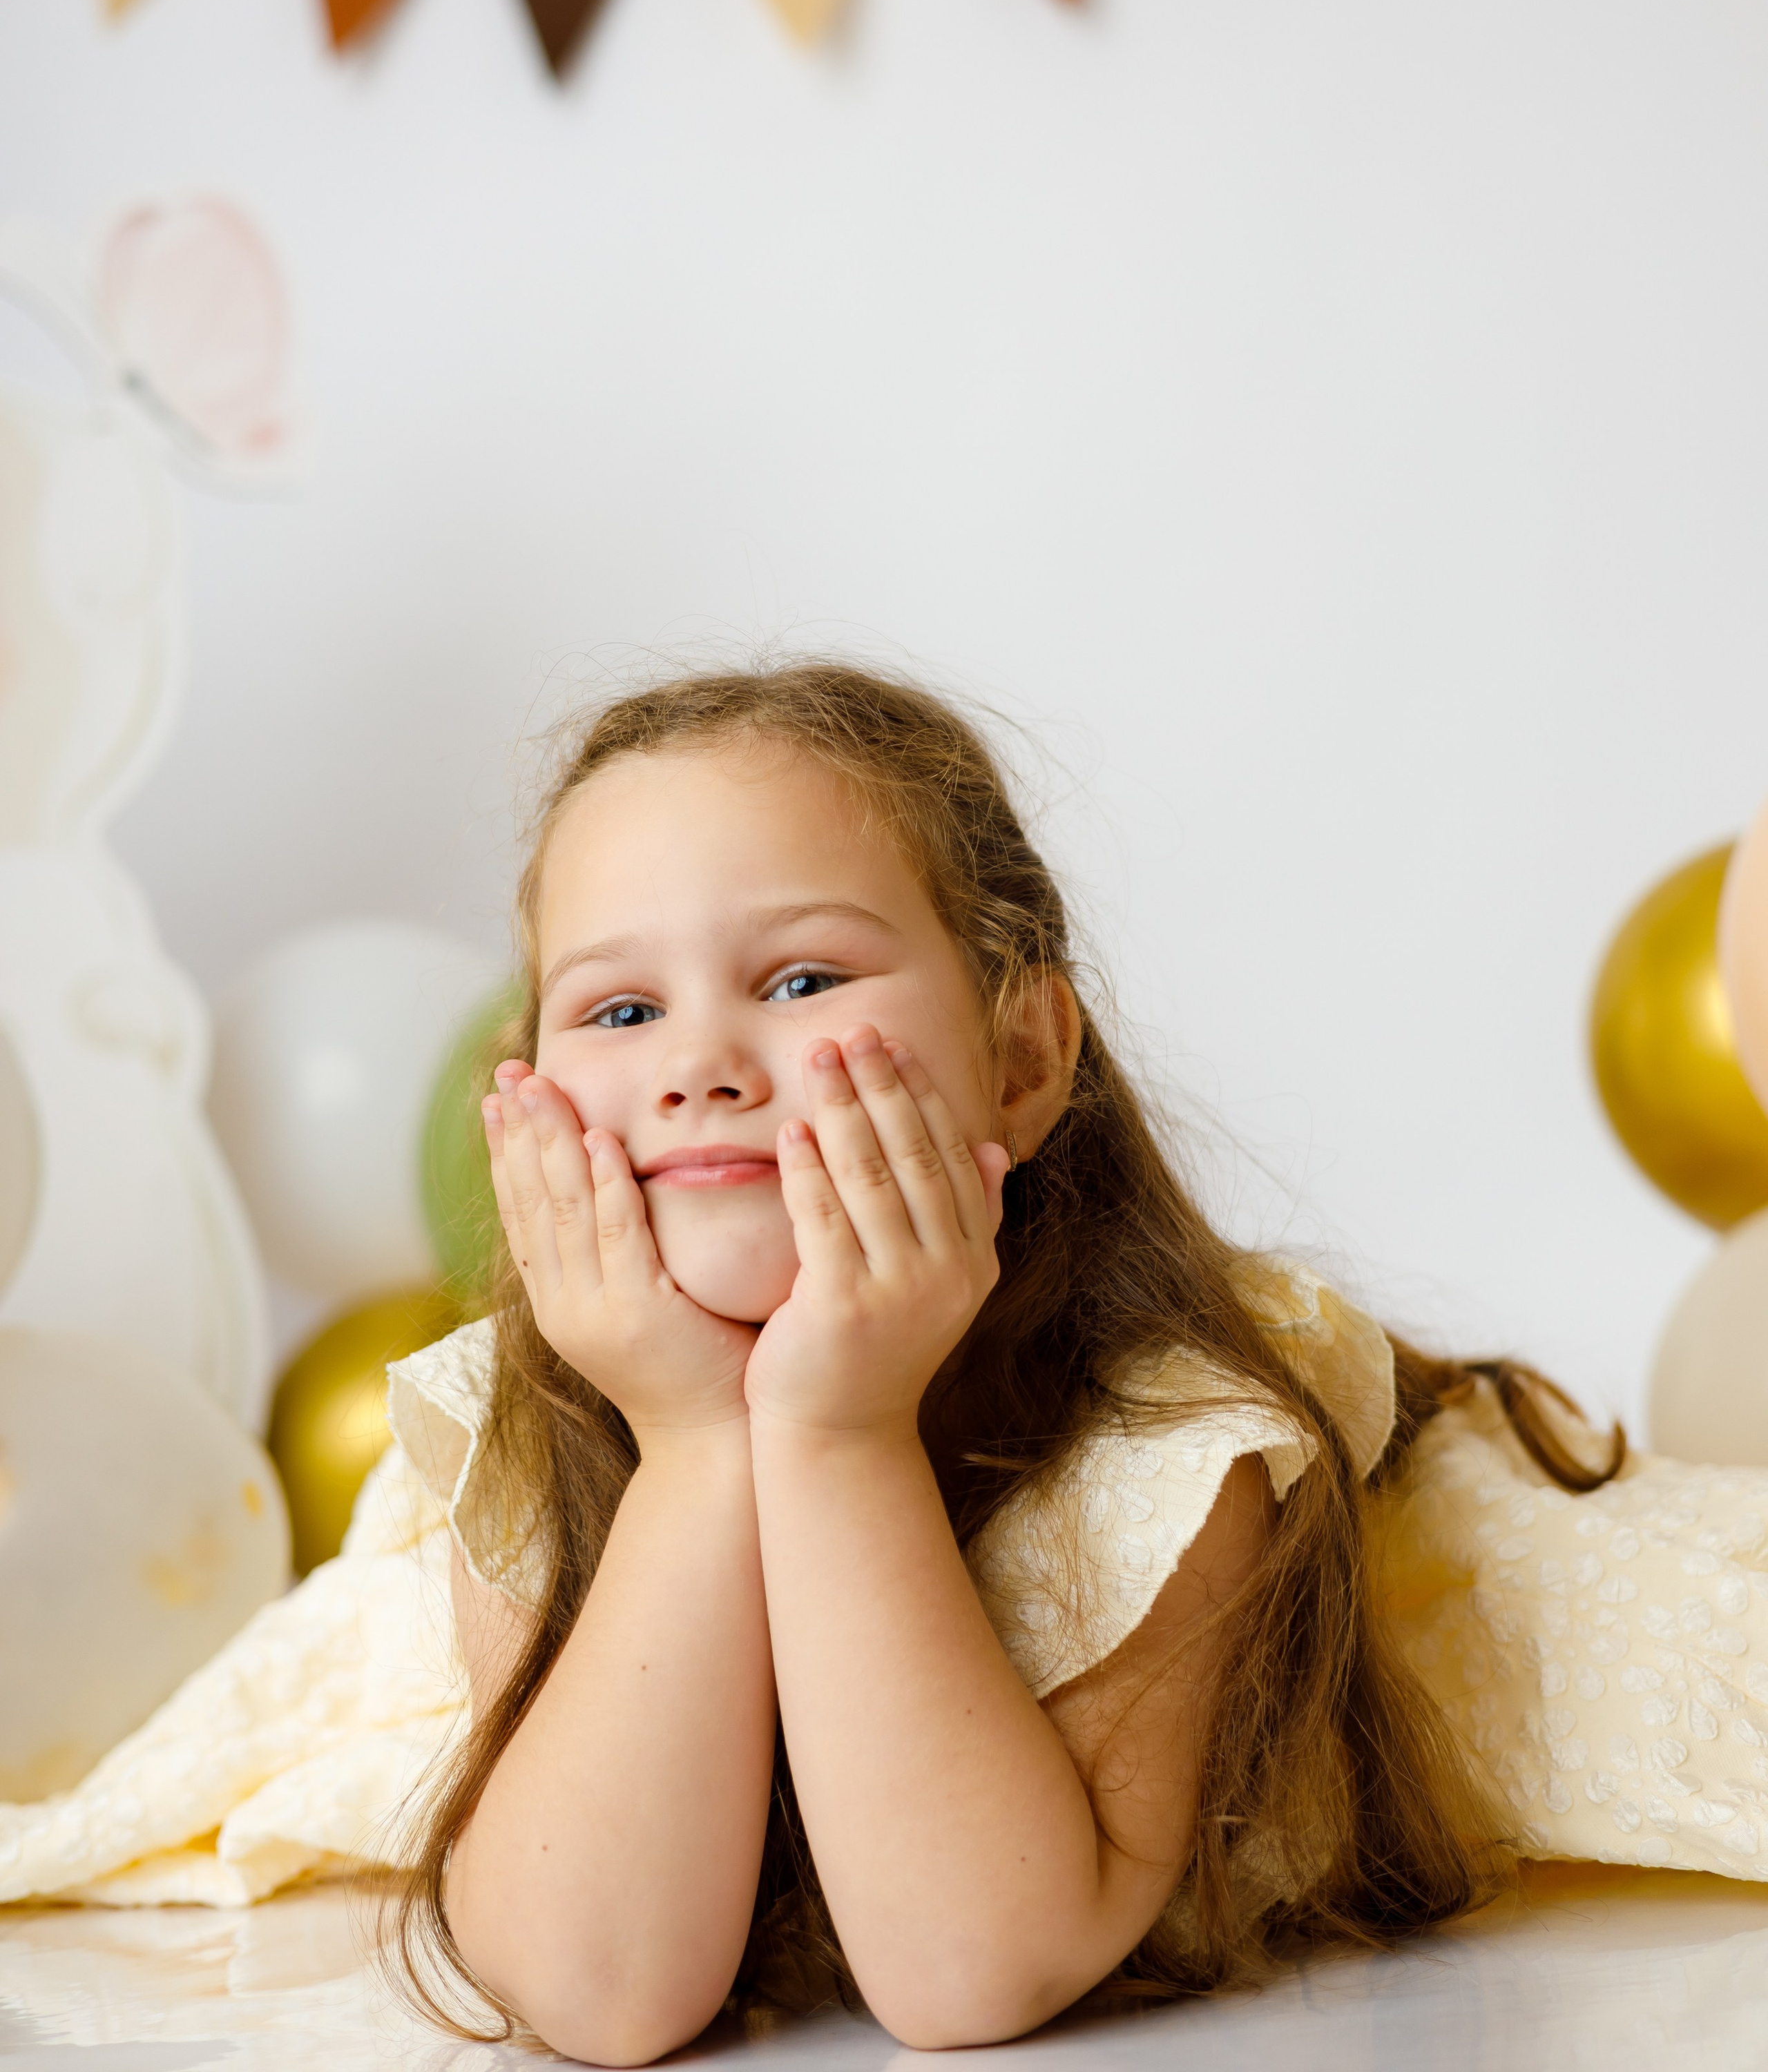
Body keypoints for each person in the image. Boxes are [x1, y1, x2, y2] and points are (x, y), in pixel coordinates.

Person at [8, 661, 1767, 2049]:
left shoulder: (1173, 1436)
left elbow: (967, 1971)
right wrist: (696, 1442)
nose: (701, 1062)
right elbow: (598, 1989)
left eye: (799, 982)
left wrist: (834, 1436)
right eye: (618, 1008)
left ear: (1021, 1058)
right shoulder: (512, 1414)